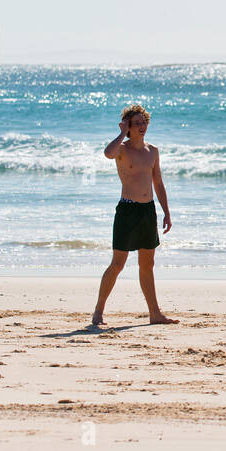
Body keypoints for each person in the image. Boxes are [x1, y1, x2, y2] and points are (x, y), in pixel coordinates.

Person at [91, 104, 176, 327]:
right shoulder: (122, 149)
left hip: (148, 211)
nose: (142, 126)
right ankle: (98, 311)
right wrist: (121, 133)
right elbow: (107, 153)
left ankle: (155, 313)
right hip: (127, 210)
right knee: (118, 263)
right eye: (136, 123)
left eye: (144, 122)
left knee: (147, 264)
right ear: (128, 126)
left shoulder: (153, 151)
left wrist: (166, 211)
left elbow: (158, 182)